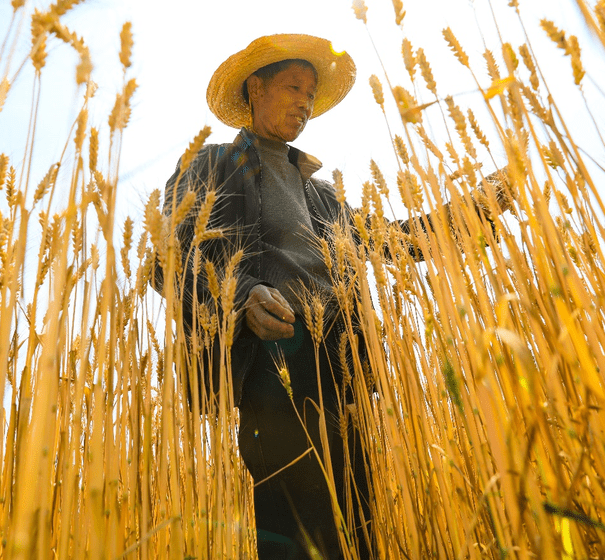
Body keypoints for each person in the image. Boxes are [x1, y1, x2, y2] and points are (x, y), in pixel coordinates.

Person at [154, 34, 512, 559]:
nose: (304, 102)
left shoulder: (319, 192)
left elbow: (397, 241)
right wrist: (243, 296)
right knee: (292, 522)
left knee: (356, 514)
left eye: (310, 94)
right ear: (255, 88)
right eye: (292, 87)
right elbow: (172, 256)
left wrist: (482, 204)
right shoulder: (212, 164)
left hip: (340, 357)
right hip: (273, 360)